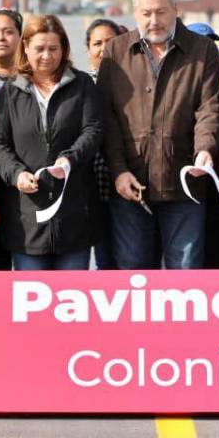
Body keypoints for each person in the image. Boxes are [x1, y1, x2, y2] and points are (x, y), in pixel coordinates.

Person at [97, 0, 219, 270]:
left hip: (184, 181)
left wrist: (204, 150)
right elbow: (107, 117)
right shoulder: (116, 51)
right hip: (131, 184)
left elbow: (209, 108)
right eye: (146, 13)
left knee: (185, 271)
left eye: (161, 12)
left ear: (176, 9)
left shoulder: (202, 51)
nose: (154, 21)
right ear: (135, 13)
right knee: (134, 271)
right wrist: (119, 170)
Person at [0, 15, 103, 270]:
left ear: (64, 48)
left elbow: (93, 129)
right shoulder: (11, 91)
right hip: (27, 221)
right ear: (26, 48)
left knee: (71, 292)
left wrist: (69, 159)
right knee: (32, 292)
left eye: (53, 48)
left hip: (74, 217)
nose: (46, 56)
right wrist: (16, 174)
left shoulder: (82, 84)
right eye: (39, 48)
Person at [85, 17, 126, 270]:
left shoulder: (135, 84)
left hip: (128, 184)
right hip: (93, 187)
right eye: (97, 43)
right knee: (104, 261)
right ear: (88, 49)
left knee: (131, 259)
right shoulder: (81, 85)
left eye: (110, 42)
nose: (103, 49)